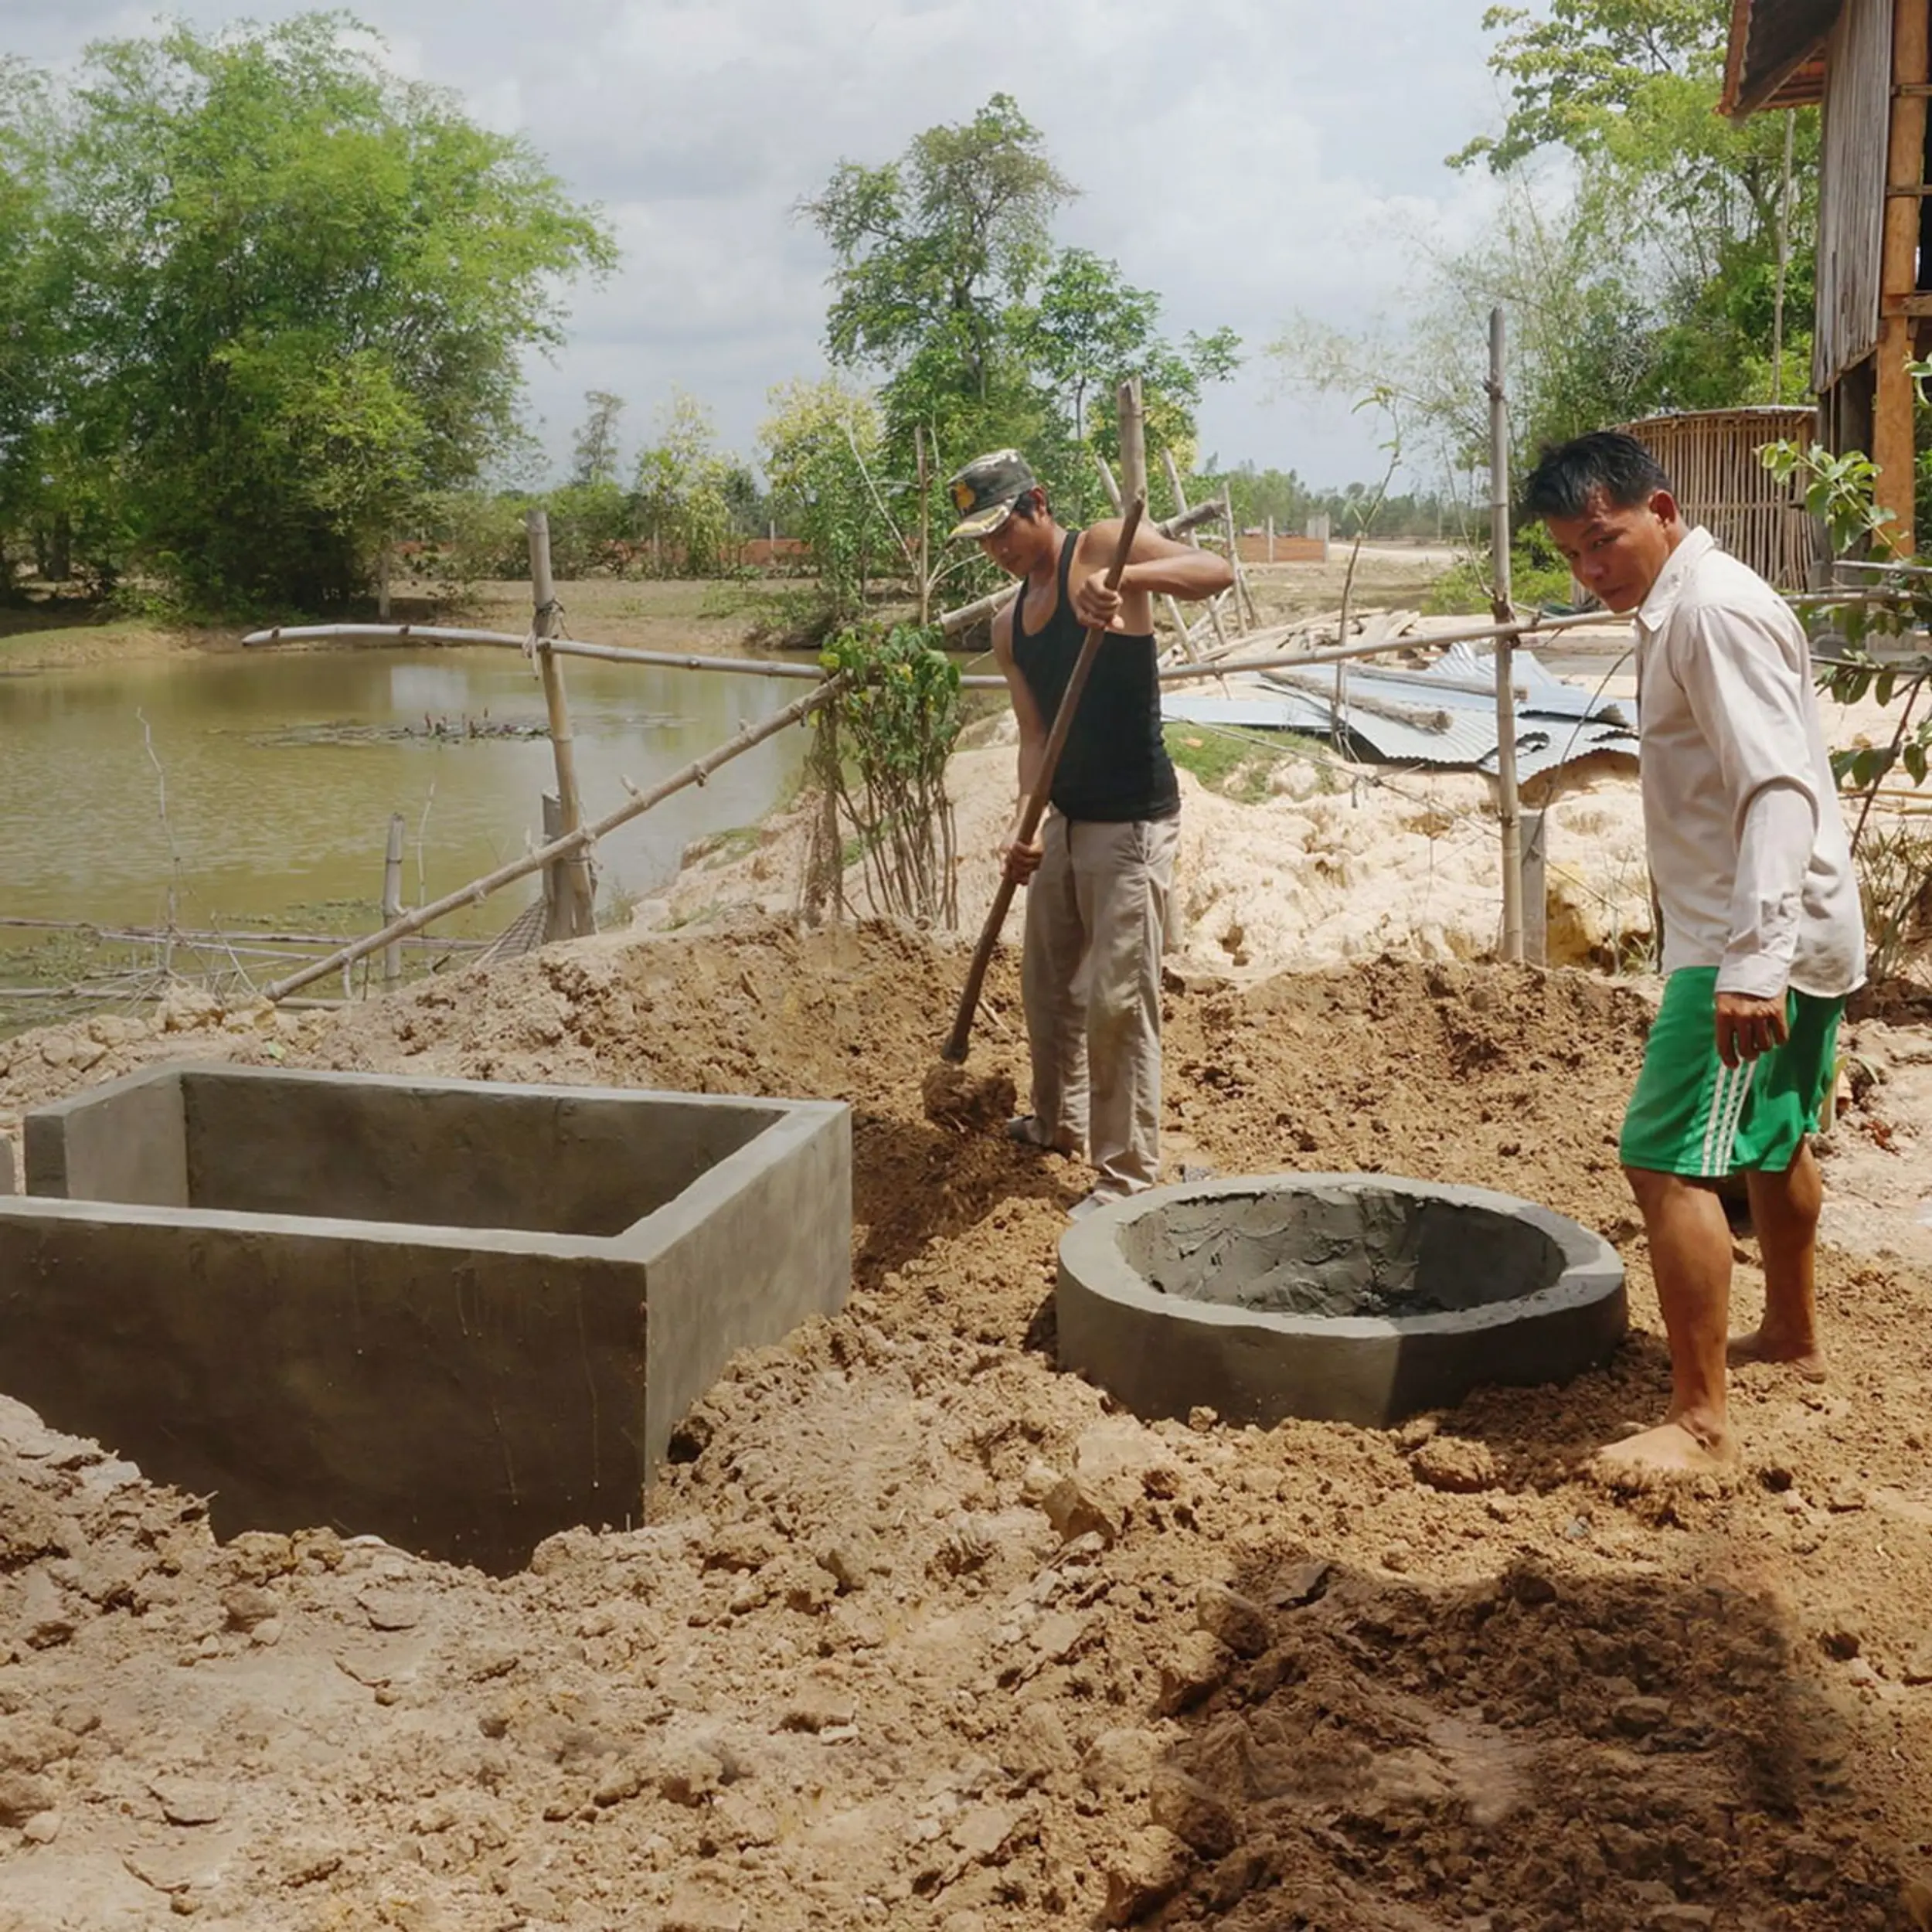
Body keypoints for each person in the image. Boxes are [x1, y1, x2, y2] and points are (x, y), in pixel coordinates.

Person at [1522, 430, 1866, 1476]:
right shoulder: (1698, 599)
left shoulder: (1709, 612)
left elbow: (1774, 788)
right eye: (1572, 557)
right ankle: (1795, 1339)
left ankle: (1702, 1420)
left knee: (1663, 1157)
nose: (1591, 573)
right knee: (1771, 1142)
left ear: (1661, 509)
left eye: (1603, 542)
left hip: (1750, 936)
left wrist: (1751, 964)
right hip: (1798, 921)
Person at [947, 448, 1233, 1220]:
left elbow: (1215, 572)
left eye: (1003, 529)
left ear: (1037, 502)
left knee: (1116, 1000)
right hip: (1066, 822)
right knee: (1047, 990)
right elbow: (1033, 737)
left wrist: (1125, 583)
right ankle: (1056, 1122)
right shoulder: (1010, 625)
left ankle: (1125, 1176)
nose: (997, 550)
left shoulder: (1102, 547)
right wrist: (1024, 824)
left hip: (1132, 821)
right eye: (983, 540)